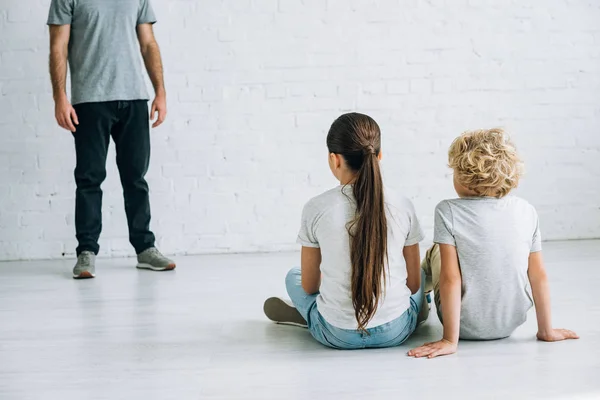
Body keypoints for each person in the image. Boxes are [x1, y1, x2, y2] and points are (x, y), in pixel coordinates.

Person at [408, 128, 579, 359]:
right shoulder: (526, 211)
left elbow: (450, 278)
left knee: (435, 252)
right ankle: (544, 328)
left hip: (465, 326)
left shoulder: (447, 210)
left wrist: (449, 340)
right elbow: (538, 274)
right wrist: (546, 330)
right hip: (511, 322)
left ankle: (419, 301)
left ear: (464, 177)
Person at [263, 112, 428, 349]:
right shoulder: (403, 204)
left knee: (294, 276)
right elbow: (412, 284)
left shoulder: (316, 208)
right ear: (379, 156)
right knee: (421, 275)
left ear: (334, 159)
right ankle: (417, 308)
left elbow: (309, 286)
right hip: (396, 330)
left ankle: (313, 314)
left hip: (336, 334)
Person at [47, 0, 175, 279]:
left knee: (136, 178)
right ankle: (86, 252)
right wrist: (60, 97)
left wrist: (160, 92)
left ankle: (145, 248)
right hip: (90, 100)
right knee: (89, 178)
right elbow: (58, 45)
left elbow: (148, 44)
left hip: (134, 98)